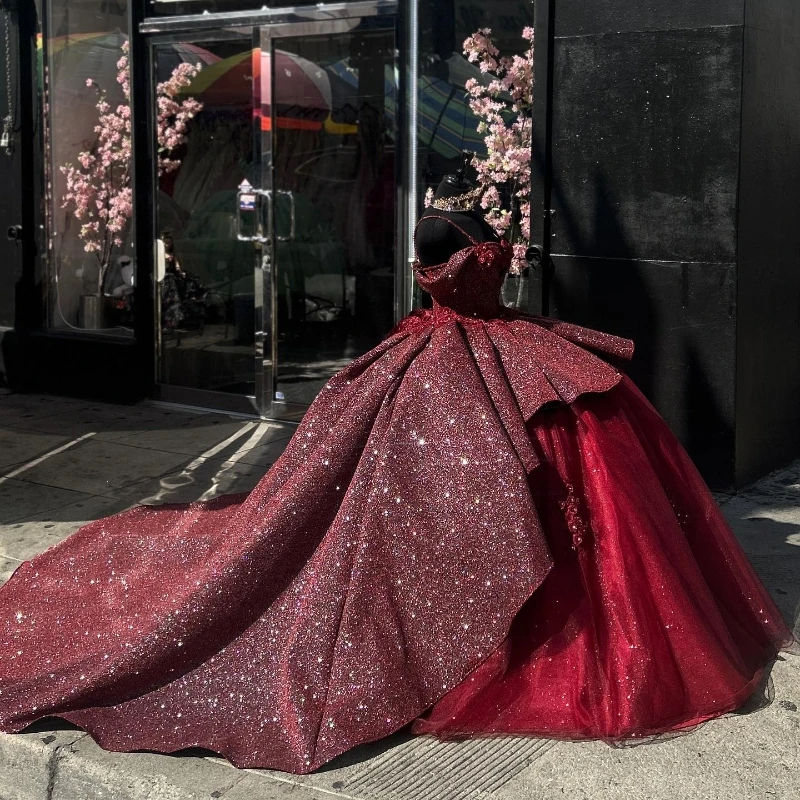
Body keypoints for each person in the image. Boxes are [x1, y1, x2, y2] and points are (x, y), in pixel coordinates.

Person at [0, 178, 792, 774]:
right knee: (418, 488)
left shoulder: (457, 226)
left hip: (505, 344)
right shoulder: (440, 230)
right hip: (444, 359)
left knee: (582, 450)